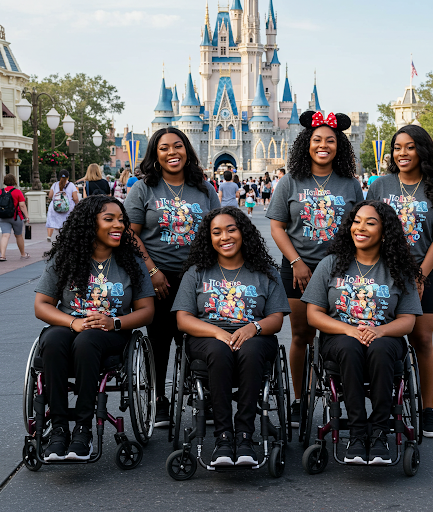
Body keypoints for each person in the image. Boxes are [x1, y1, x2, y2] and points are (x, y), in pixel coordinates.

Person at [34, 195, 155, 461]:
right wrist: (74, 322)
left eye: (121, 220)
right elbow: (41, 305)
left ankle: (83, 429)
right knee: (53, 341)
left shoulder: (132, 261)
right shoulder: (66, 258)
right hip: (69, 325)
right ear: (90, 223)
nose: (119, 225)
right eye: (109, 219)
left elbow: (147, 311)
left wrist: (115, 322)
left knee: (87, 341)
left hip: (111, 333)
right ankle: (59, 430)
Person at [302, 201, 423, 464]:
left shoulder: (398, 269)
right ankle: (357, 433)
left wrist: (379, 331)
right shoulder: (330, 264)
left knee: (380, 349)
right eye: (356, 221)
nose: (360, 227)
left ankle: (379, 432)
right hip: (339, 338)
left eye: (370, 223)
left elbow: (407, 321)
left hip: (385, 338)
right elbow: (314, 314)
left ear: (385, 231)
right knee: (349, 347)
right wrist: (349, 330)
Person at [266, 111, 364, 427]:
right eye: (317, 140)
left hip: (341, 272)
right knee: (301, 335)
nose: (323, 146)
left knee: (339, 334)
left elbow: (360, 227)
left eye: (330, 141)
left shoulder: (350, 184)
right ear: (306, 144)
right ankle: (299, 399)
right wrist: (296, 262)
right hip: (299, 270)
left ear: (340, 146)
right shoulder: (289, 182)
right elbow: (278, 227)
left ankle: (341, 394)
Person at [172, 207, 290, 466]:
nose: (224, 237)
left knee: (251, 350)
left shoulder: (266, 272)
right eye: (216, 232)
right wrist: (218, 332)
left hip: (254, 337)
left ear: (243, 233)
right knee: (219, 350)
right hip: (208, 338)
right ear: (209, 238)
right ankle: (224, 436)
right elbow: (183, 319)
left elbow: (276, 319)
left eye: (231, 230)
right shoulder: (197, 272)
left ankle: (245, 435)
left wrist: (253, 328)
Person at [124, 127, 220, 427]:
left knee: (196, 337)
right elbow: (130, 234)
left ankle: (199, 392)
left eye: (177, 146)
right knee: (160, 338)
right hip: (158, 278)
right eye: (164, 148)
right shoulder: (144, 189)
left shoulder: (204, 189)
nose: (171, 153)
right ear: (155, 154)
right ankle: (158, 398)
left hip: (198, 277)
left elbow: (218, 229)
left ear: (187, 151)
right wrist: (152, 271)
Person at [367, 124, 433, 438]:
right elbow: (367, 227)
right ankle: (385, 405)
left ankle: (427, 410)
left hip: (423, 274)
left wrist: (420, 275)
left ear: (422, 150)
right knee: (383, 340)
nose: (402, 153)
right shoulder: (380, 186)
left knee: (422, 340)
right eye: (397, 147)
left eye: (409, 147)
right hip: (382, 275)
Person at [0, 174, 30, 261]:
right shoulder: (17, 192)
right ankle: (23, 254)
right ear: (14, 181)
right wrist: (27, 216)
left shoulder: (0, 191)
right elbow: (22, 205)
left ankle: (2, 255)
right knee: (18, 235)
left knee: (5, 235)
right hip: (16, 217)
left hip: (3, 217)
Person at [46, 170, 78, 243]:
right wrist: (78, 204)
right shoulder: (71, 185)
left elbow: (50, 196)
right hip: (67, 207)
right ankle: (64, 237)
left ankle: (49, 235)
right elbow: (75, 198)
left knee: (52, 221)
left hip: (55, 206)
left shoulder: (55, 184)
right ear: (68, 177)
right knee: (66, 223)